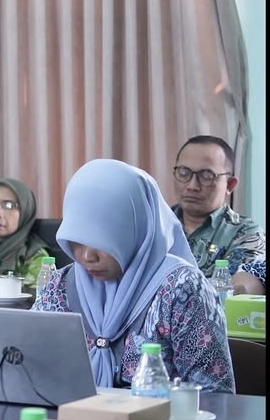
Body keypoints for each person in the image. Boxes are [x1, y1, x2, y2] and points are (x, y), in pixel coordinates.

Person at [37, 158, 234, 392]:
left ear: (137, 229)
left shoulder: (182, 289)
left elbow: (215, 396)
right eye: (77, 240)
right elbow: (27, 369)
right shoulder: (60, 286)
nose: (87, 256)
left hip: (161, 417)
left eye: (103, 241)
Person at [171, 135, 265, 277]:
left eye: (206, 176)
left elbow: (236, 286)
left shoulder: (247, 234)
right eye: (184, 173)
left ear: (230, 184)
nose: (192, 186)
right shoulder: (155, 225)